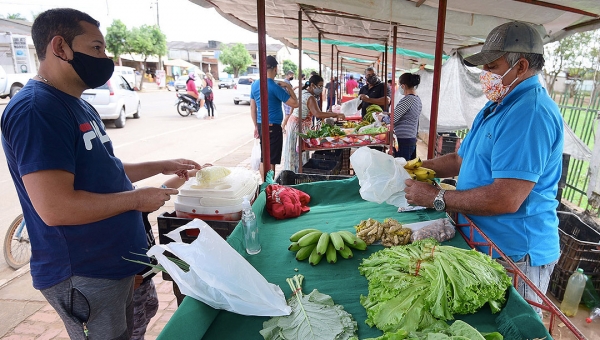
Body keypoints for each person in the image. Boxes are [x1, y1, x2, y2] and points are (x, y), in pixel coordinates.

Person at [0, 8, 202, 339]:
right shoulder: (38, 110)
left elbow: (102, 168)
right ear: (60, 47)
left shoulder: (76, 102)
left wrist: (162, 165)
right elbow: (56, 207)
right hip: (83, 272)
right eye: (96, 48)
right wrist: (137, 200)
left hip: (112, 261)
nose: (104, 58)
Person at [404, 21, 563, 317]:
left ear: (521, 66)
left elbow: (506, 198)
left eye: (492, 66)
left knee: (514, 327)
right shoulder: (496, 107)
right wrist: (413, 167)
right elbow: (459, 160)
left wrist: (436, 197)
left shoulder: (529, 113)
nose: (485, 75)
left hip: (515, 254)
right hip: (484, 240)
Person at [281, 74, 345, 172]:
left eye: (321, 86)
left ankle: (293, 171)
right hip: (298, 127)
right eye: (319, 86)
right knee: (299, 152)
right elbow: (317, 114)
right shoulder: (310, 97)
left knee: (294, 152)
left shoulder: (302, 92)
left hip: (294, 124)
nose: (320, 89)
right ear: (311, 85)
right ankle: (297, 173)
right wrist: (336, 115)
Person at [250, 55, 299, 177]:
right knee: (271, 160)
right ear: (275, 68)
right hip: (273, 127)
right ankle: (269, 186)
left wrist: (256, 125)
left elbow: (252, 108)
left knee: (264, 157)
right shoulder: (275, 87)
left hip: (262, 125)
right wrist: (288, 86)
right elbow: (295, 103)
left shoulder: (255, 85)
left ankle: (265, 184)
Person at [393, 73, 422, 160]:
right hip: (411, 139)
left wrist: (381, 117)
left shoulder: (408, 99)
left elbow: (392, 119)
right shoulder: (417, 99)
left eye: (399, 85)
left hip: (403, 140)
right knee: (408, 167)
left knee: (402, 168)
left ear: (403, 86)